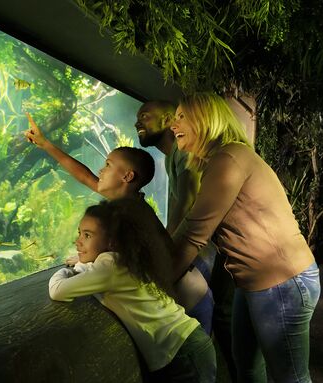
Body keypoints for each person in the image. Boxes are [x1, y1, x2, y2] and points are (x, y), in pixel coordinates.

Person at [170, 92, 320, 383]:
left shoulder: (229, 158)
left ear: (205, 119)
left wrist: (154, 282)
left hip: (283, 284)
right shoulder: (221, 160)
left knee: (290, 377)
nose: (172, 124)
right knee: (247, 368)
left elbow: (193, 234)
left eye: (181, 116)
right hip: (253, 283)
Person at [24, 112, 213, 335]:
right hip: (182, 291)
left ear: (127, 177)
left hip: (189, 294)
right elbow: (84, 176)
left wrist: (87, 259)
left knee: (195, 359)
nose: (100, 171)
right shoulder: (126, 201)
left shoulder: (132, 212)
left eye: (108, 165)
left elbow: (125, 257)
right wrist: (45, 144)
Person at [49, 199, 216, 382]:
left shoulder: (110, 266)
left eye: (87, 235)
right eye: (79, 233)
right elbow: (94, 272)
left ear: (111, 241)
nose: (78, 241)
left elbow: (58, 291)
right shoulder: (123, 260)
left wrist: (65, 271)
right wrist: (82, 263)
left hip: (183, 352)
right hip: (184, 345)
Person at [135, 100, 236, 380]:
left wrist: (164, 256)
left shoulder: (192, 155)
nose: (137, 123)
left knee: (224, 320)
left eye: (144, 115)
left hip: (221, 251)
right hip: (220, 251)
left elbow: (188, 207)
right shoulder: (175, 156)